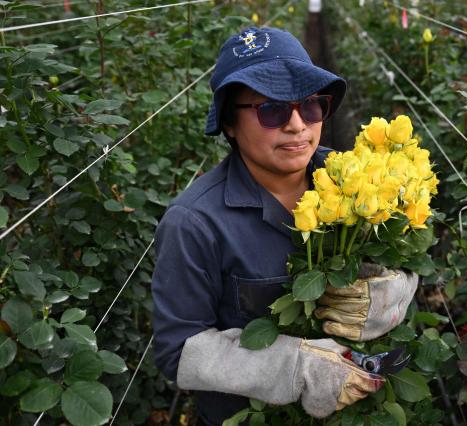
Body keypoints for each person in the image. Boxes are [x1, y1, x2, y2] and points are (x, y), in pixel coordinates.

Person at [151, 27, 418, 426]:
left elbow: (410, 264)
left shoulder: (356, 179)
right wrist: (295, 367)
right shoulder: (195, 223)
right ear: (229, 122)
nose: (297, 125)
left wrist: (393, 295)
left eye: (310, 106)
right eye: (272, 109)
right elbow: (178, 352)